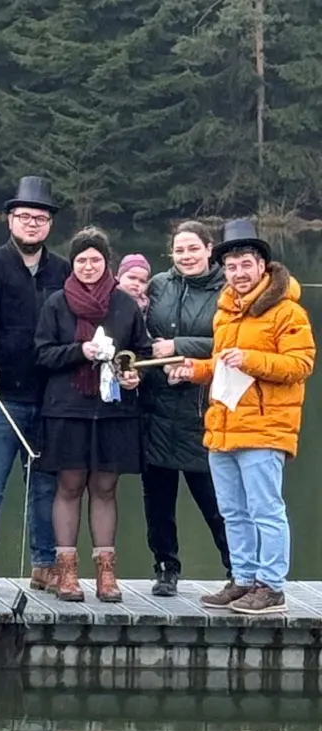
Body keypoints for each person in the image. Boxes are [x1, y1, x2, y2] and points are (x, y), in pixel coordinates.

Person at [170, 220, 315, 616]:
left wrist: (251, 359)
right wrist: (194, 370)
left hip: (266, 429)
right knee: (232, 511)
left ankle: (272, 587)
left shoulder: (288, 311)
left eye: (246, 264)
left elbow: (301, 364)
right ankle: (244, 579)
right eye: (232, 266)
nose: (238, 273)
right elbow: (222, 365)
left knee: (266, 511)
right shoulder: (225, 312)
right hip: (224, 426)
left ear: (263, 265)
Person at [0, 176, 70, 595]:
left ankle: (44, 563)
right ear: (10, 220)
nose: (32, 224)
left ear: (49, 225)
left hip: (48, 396)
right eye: (24, 217)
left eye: (39, 218)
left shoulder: (63, 270)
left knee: (45, 484)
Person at [34, 227, 150, 602]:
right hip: (67, 409)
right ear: (72, 264)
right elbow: (42, 355)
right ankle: (66, 572)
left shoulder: (125, 304)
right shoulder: (56, 303)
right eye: (81, 260)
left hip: (113, 410)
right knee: (68, 487)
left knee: (105, 489)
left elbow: (142, 353)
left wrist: (134, 374)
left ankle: (106, 574)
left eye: (95, 260)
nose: (88, 266)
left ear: (107, 263)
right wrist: (80, 352)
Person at [141, 222, 231, 596]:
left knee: (215, 501)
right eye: (179, 251)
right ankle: (165, 568)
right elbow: (140, 332)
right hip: (157, 405)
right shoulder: (159, 285)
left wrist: (179, 346)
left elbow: (230, 341)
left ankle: (237, 569)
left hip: (201, 408)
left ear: (209, 249)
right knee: (158, 500)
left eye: (193, 249)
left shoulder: (227, 290)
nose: (186, 257)